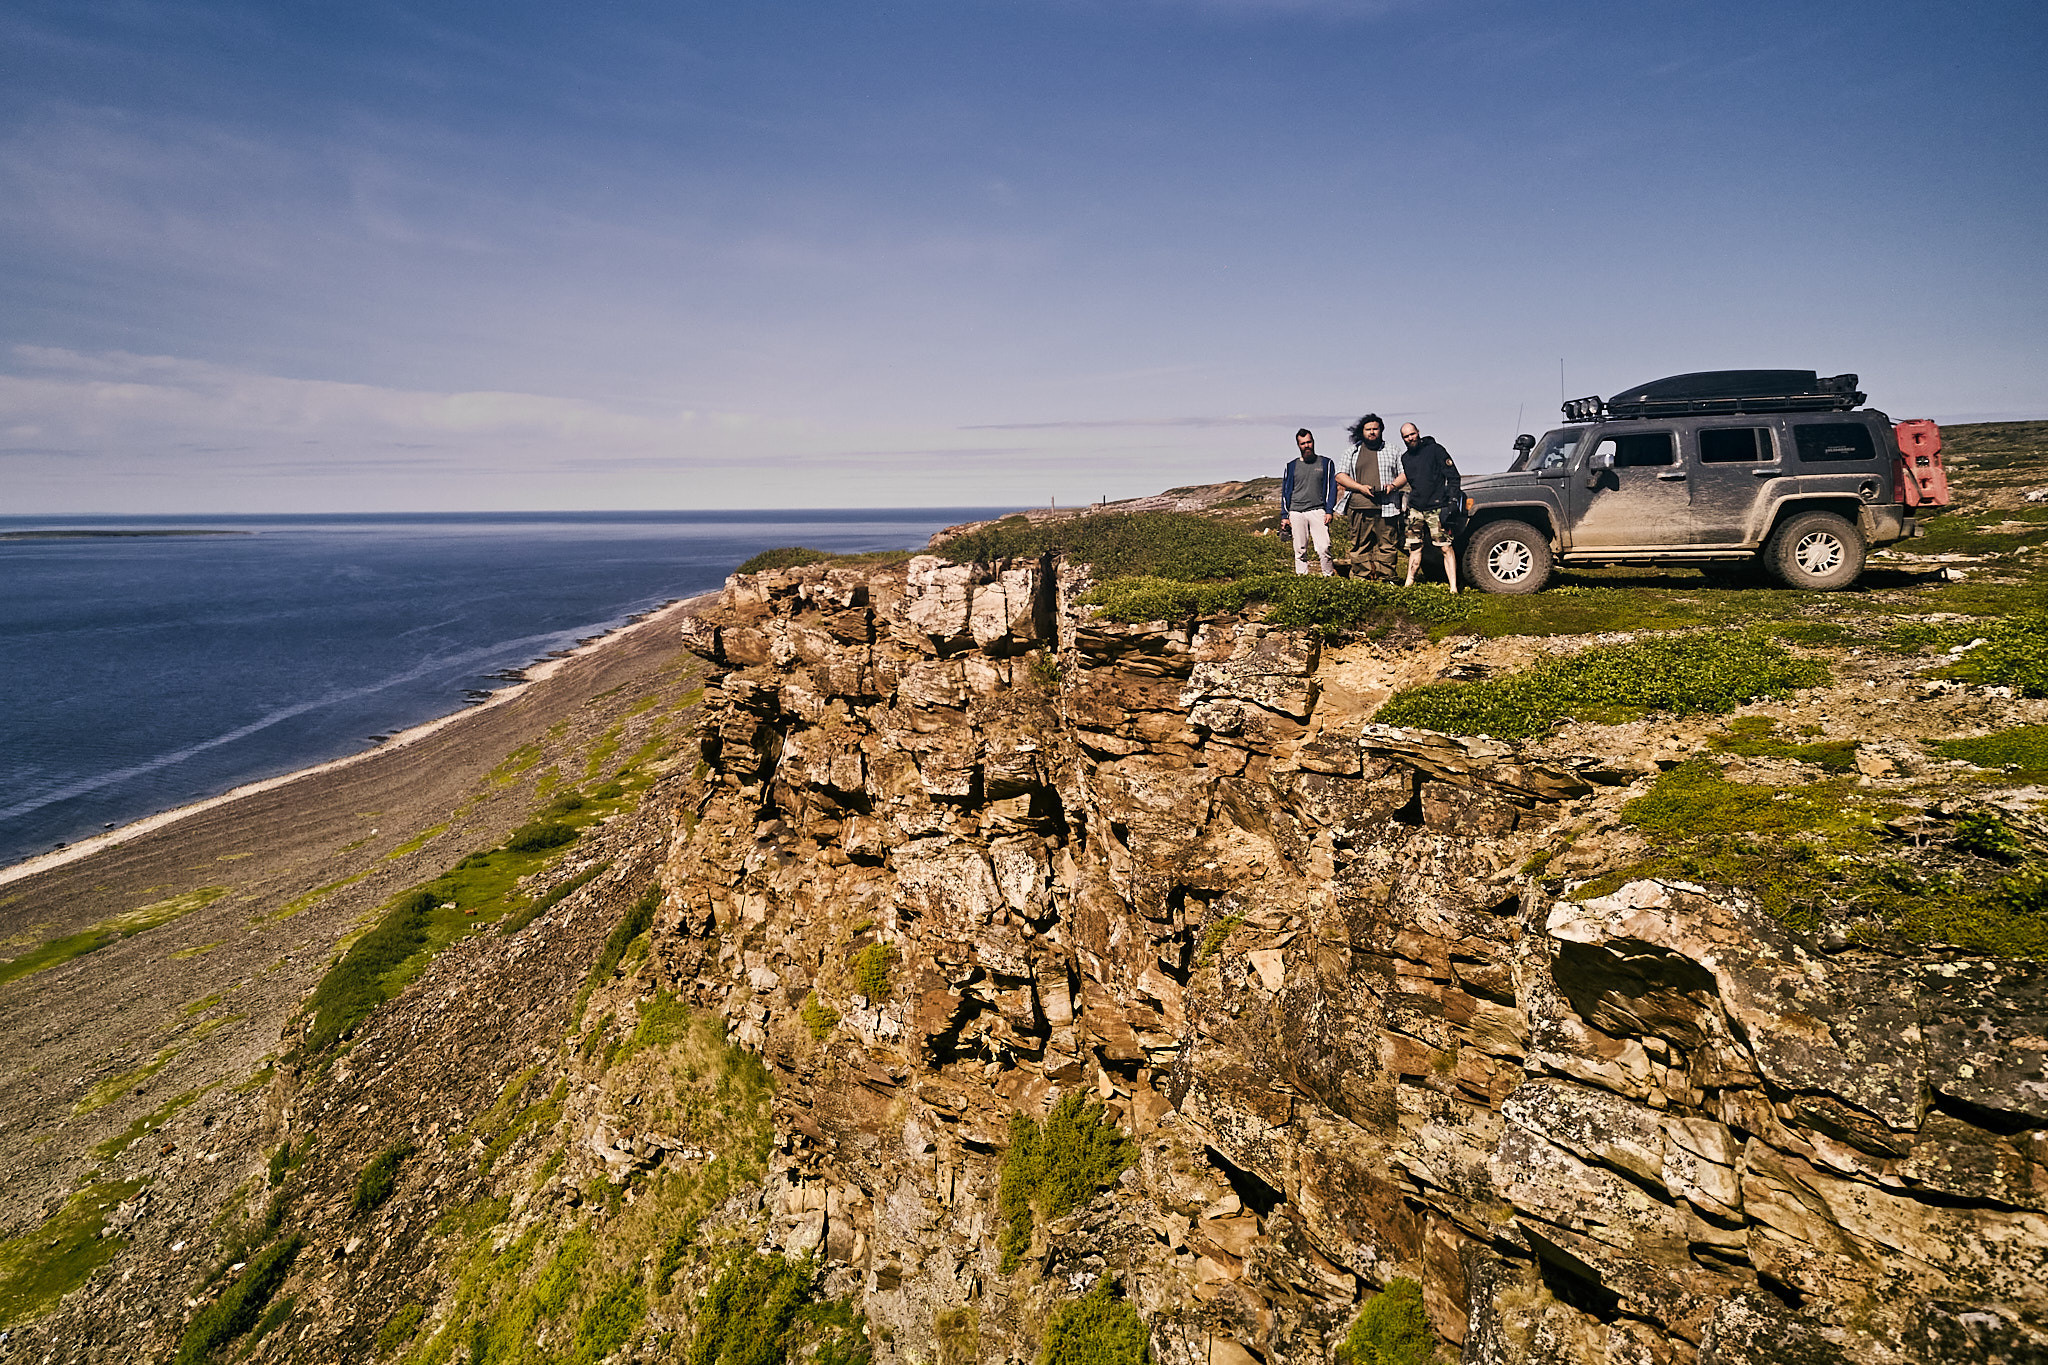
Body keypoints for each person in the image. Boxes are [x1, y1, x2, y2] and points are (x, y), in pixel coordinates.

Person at [1394, 422, 1463, 592]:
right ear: (1403, 439)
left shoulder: (1436, 450)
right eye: (1406, 436)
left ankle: (1453, 587)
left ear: (1418, 432)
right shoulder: (1405, 458)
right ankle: (1408, 584)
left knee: (1445, 547)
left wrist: (1452, 501)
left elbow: (1453, 477)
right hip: (1416, 508)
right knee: (1415, 546)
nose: (1410, 438)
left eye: (1412, 434)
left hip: (1437, 507)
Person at [1335, 413, 1402, 581]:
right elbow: (1340, 476)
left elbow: (1404, 473)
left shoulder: (1393, 450)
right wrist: (1360, 488)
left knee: (1387, 545)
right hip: (1359, 506)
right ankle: (1361, 578)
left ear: (1381, 430)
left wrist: (1393, 486)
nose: (1372, 432)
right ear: (1362, 431)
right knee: (1359, 545)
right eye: (1368, 429)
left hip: (1387, 507)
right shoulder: (1351, 452)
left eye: (1375, 429)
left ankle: (1386, 579)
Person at [1279, 428, 1337, 576]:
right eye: (1303, 443)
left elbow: (1332, 488)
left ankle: (1328, 577)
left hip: (1318, 510)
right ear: (1298, 445)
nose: (1307, 446)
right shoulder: (1291, 466)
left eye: (1309, 442)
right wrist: (1285, 515)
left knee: (1324, 547)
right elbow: (1286, 492)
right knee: (1300, 549)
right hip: (1296, 511)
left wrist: (1329, 510)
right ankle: (1302, 578)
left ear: (1313, 442)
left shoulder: (1326, 463)